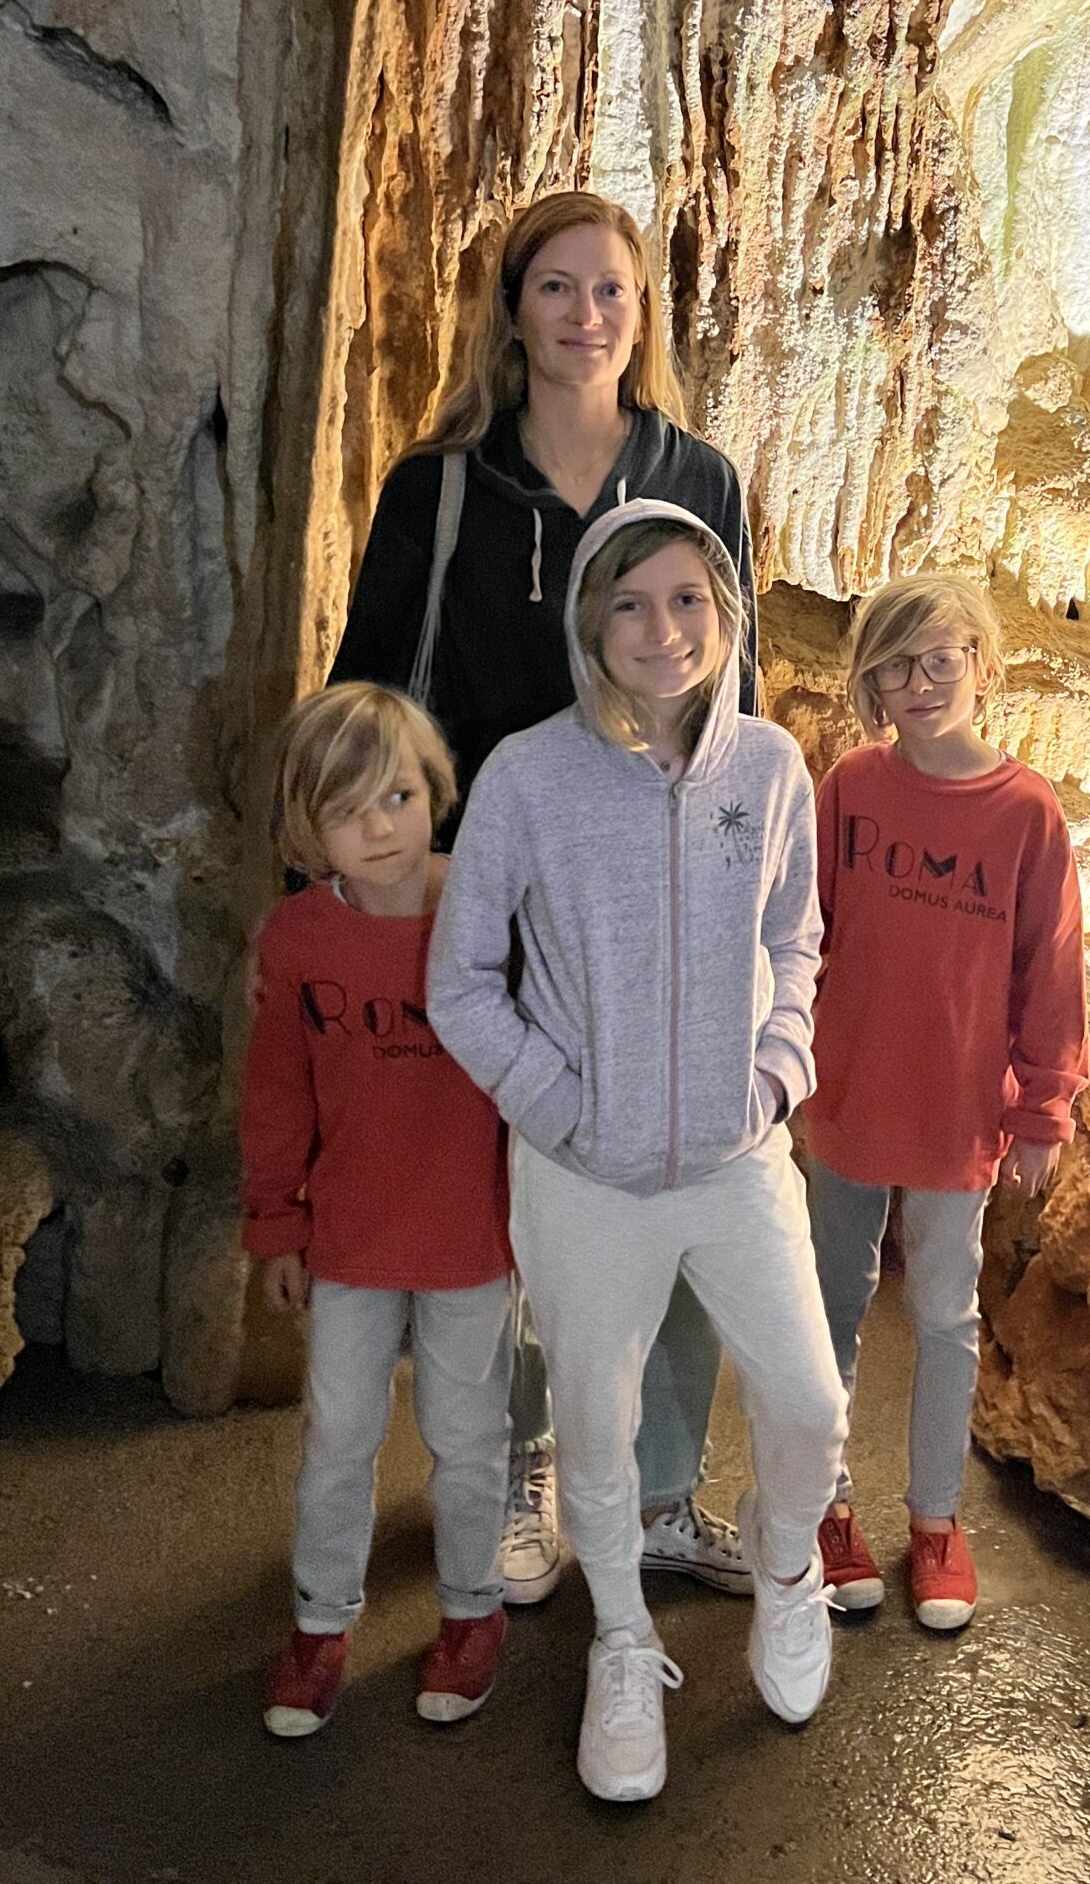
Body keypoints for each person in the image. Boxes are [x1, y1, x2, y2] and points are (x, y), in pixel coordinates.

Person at [328, 190, 756, 1609]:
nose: (586, 317)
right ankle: (524, 1466)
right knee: (515, 1196)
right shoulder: (440, 490)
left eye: (611, 291)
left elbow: (731, 702)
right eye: (556, 289)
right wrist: (390, 872)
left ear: (645, 315)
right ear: (511, 312)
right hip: (493, 895)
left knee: (692, 1176)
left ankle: (663, 1485)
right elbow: (373, 691)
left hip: (664, 900)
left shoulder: (699, 479)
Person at [429, 500, 846, 1801]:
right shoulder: (527, 776)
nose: (661, 630)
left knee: (812, 1404)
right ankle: (621, 1642)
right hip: (582, 1176)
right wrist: (555, 1109)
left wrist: (775, 1074)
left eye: (686, 601)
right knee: (595, 1429)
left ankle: (789, 1576)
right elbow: (461, 984)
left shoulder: (771, 768)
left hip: (734, 1159)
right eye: (629, 603)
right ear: (589, 622)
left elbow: (796, 938)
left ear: (723, 615)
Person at [801, 574, 1088, 1631]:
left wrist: (1043, 1109)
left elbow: (1048, 970)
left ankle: (933, 1520)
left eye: (938, 659)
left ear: (980, 662)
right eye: (892, 664)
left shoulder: (1025, 811)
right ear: (869, 679)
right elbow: (806, 934)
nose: (917, 683)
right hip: (847, 1097)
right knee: (828, 1310)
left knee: (943, 1317)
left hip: (959, 1112)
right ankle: (827, 1506)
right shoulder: (852, 789)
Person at [241, 683, 513, 1738]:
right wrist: (276, 1222)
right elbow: (277, 1093)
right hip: (350, 1238)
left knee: (466, 1431)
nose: (381, 826)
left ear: (435, 790)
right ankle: (319, 1625)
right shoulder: (301, 942)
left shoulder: (488, 909)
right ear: (308, 833)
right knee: (339, 1433)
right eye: (349, 810)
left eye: (399, 794)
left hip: (473, 1235)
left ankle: (471, 1609)